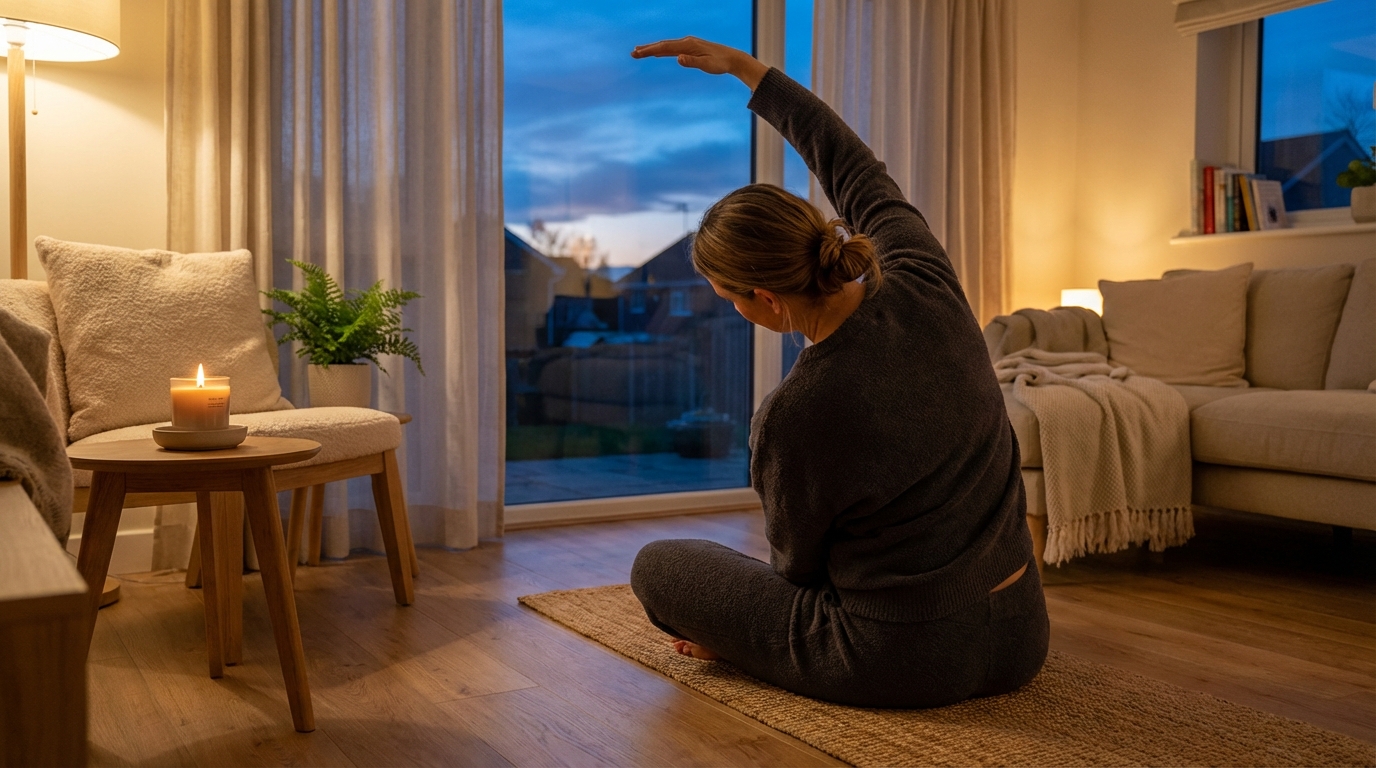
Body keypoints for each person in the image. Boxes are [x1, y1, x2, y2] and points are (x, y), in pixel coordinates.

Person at [626, 37, 1048, 709]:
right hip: (1022, 635)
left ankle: (753, 650)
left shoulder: (797, 411)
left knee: (660, 567)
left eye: (728, 298)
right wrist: (750, 71)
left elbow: (797, 571)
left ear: (766, 299)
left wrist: (737, 629)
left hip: (900, 660)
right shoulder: (925, 278)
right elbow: (852, 165)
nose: (733, 310)